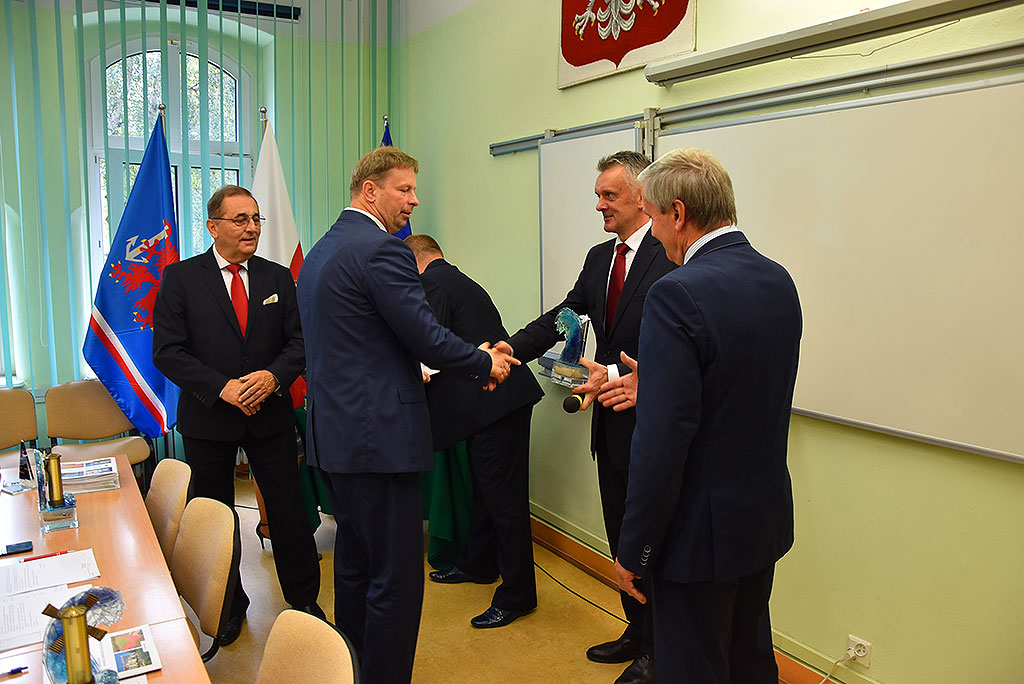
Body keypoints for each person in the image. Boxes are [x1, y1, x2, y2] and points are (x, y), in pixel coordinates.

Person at [297, 147, 516, 684]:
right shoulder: (381, 250)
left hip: (336, 436)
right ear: (370, 190)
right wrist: (483, 361)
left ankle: (352, 668)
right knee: (394, 581)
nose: (415, 200)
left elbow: (362, 341)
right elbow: (427, 335)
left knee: (355, 565)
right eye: (405, 189)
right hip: (379, 441)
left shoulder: (323, 250)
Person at [606, 147, 802, 683]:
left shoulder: (675, 293)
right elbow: (742, 385)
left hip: (696, 536)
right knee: (749, 660)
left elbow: (662, 443)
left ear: (678, 213)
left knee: (693, 668)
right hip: (758, 520)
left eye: (652, 218)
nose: (652, 234)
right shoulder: (778, 279)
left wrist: (634, 548)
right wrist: (660, 383)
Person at [501, 151, 674, 684]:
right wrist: (512, 347)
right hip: (610, 424)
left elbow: (684, 344)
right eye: (598, 195)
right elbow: (566, 313)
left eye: (608, 195)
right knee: (622, 536)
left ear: (641, 196)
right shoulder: (601, 257)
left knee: (655, 544)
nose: (599, 205)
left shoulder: (672, 254)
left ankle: (660, 653)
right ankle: (636, 632)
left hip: (656, 424)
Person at [152, 185, 324, 646]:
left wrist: (272, 377)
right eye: (240, 219)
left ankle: (304, 600)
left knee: (288, 510)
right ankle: (228, 606)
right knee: (216, 515)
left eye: (256, 218)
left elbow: (300, 343)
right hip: (209, 418)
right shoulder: (181, 278)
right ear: (213, 226)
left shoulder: (277, 278)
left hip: (269, 414)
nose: (252, 227)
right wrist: (222, 387)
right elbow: (167, 352)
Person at [405, 234, 545, 629]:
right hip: (494, 404)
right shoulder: (456, 280)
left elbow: (431, 345)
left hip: (496, 405)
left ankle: (518, 594)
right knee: (485, 492)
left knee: (505, 503)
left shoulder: (433, 283)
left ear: (414, 262)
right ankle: (479, 564)